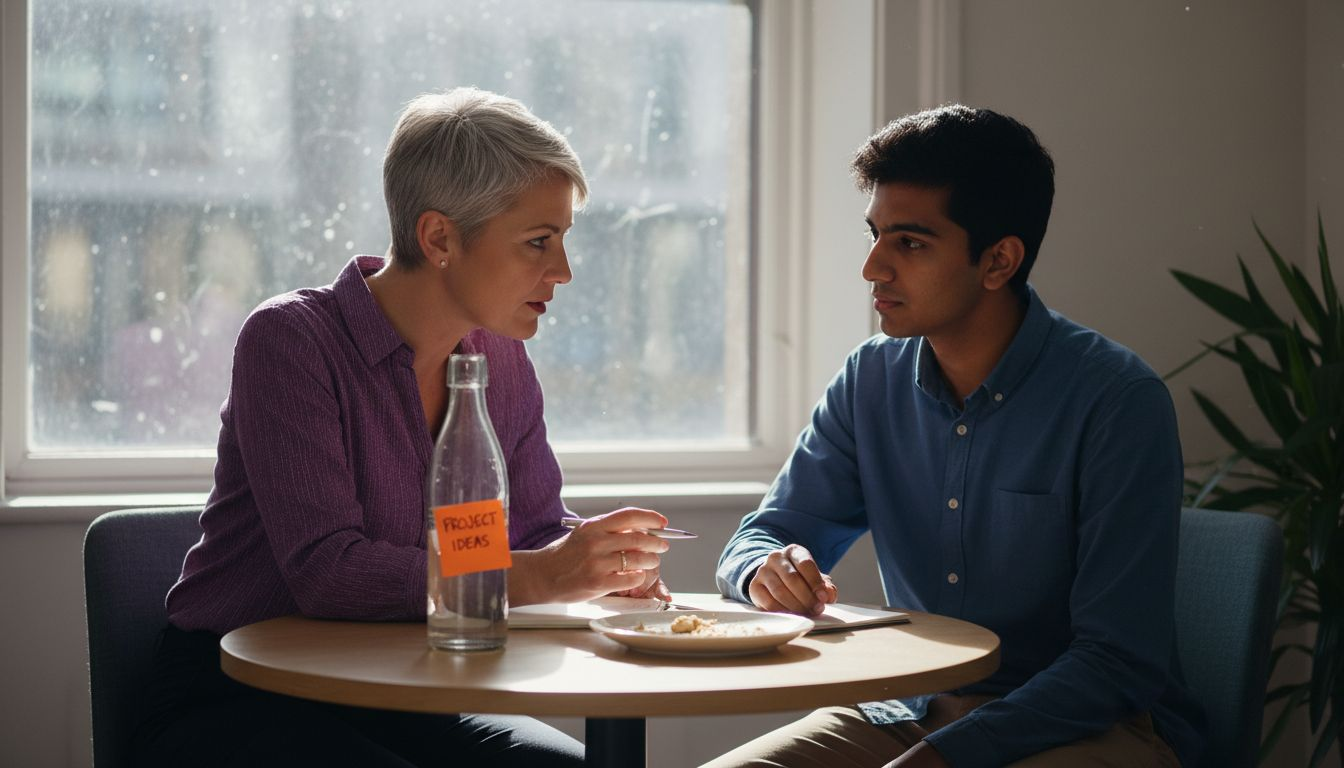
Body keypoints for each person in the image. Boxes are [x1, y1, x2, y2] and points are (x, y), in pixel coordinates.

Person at [132, 87, 674, 768]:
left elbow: (531, 534)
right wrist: (542, 576)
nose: (562, 272)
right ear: (439, 237)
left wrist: (599, 565)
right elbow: (330, 573)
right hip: (236, 699)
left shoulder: (499, 358)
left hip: (407, 693)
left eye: (563, 241)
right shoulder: (290, 343)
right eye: (539, 241)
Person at [709, 106, 1205, 768]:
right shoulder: (869, 380)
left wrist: (950, 756)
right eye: (875, 235)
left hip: (1083, 726)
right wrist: (764, 572)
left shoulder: (1117, 401)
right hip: (905, 711)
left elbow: (1116, 662)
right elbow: (757, 538)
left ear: (998, 260)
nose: (873, 270)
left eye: (910, 243)